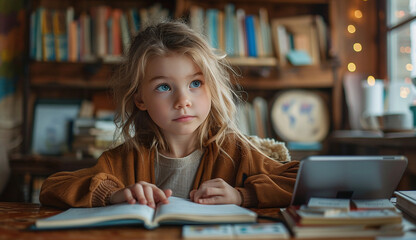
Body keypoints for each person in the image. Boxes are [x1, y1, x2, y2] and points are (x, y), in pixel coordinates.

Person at [39, 20, 299, 209]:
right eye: (164, 87)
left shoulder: (235, 151)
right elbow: (52, 187)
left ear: (212, 87)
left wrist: (244, 196)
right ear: (140, 99)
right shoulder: (125, 158)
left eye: (195, 83)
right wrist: (113, 194)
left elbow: (301, 181)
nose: (183, 101)